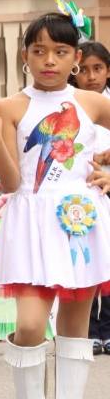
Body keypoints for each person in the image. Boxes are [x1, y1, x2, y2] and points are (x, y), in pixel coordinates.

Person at [0, 0, 110, 399]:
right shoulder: (10, 108)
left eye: (60, 51)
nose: (49, 60)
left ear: (76, 57)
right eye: (39, 51)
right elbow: (11, 180)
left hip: (80, 220)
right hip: (30, 217)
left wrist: (107, 170)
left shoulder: (91, 104)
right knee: (31, 325)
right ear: (25, 55)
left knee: (76, 325)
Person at [74, 40, 110, 354]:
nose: (91, 76)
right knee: (88, 264)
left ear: (108, 71)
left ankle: (107, 329)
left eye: (97, 68)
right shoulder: (73, 108)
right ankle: (88, 330)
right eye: (83, 69)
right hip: (81, 199)